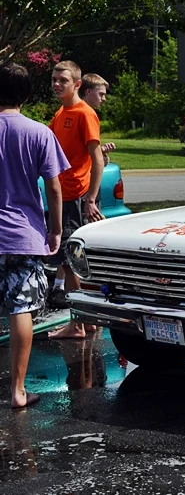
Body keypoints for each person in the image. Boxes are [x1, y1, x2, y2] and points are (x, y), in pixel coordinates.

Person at [0, 62, 69, 408]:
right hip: (23, 235)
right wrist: (55, 231)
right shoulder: (39, 132)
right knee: (21, 308)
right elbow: (55, 189)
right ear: (26, 95)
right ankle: (17, 390)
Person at [45, 61, 104, 339]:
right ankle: (88, 321)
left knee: (71, 263)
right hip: (64, 196)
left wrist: (91, 199)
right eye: (54, 79)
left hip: (76, 199)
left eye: (63, 80)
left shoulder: (84, 113)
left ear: (77, 84)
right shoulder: (61, 112)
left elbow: (98, 160)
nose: (57, 84)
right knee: (73, 263)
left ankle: (77, 324)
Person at [79, 73, 115, 165]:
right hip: (81, 176)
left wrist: (101, 151)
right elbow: (97, 160)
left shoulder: (68, 109)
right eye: (101, 94)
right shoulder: (88, 114)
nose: (104, 99)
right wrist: (103, 158)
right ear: (88, 92)